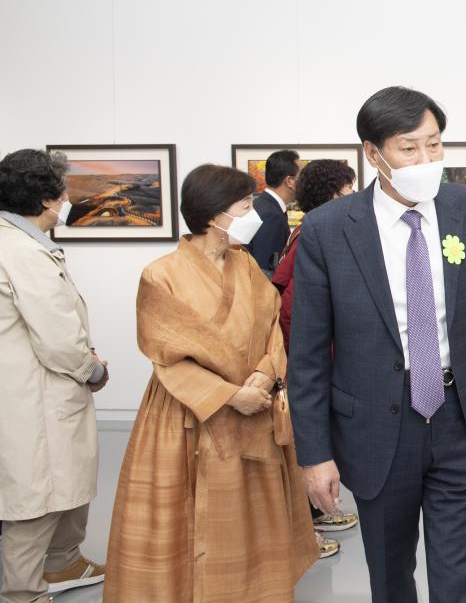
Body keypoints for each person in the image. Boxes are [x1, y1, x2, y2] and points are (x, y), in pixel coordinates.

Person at [289, 86, 466, 603]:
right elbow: (306, 354)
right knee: (390, 579)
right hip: (374, 425)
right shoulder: (328, 230)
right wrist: (314, 455)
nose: (425, 158)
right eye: (408, 148)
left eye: (434, 144)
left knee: (456, 576)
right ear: (373, 154)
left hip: (460, 414)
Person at [103, 164, 317, 602]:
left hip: (255, 407)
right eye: (244, 206)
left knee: (252, 516)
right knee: (183, 519)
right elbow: (164, 351)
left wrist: (264, 374)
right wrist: (229, 394)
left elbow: (274, 327)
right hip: (188, 412)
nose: (251, 213)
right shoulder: (160, 274)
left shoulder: (246, 266)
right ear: (216, 214)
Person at [0, 149, 109, 603]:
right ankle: (22, 591)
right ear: (47, 199)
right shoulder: (20, 251)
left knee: (62, 484)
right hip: (37, 394)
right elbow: (59, 337)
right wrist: (93, 369)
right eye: (64, 192)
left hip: (41, 388)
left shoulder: (22, 243)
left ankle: (63, 563)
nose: (68, 200)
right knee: (36, 495)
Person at [271, 159, 359, 559]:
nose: (353, 196)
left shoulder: (310, 230)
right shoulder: (314, 233)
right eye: (347, 190)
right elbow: (295, 307)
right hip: (309, 356)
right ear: (330, 195)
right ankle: (305, 532)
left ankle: (317, 513)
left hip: (314, 353)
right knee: (309, 444)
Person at [246, 149, 300, 277]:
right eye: (301, 176)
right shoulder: (270, 215)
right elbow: (265, 272)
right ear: (290, 181)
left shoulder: (265, 206)